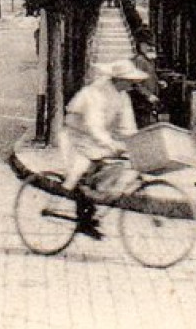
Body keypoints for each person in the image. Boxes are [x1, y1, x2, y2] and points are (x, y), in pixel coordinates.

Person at [60, 58, 147, 239]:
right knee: (87, 170)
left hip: (96, 137)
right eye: (128, 81)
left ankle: (88, 213)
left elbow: (127, 126)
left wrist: (134, 144)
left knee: (110, 168)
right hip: (77, 134)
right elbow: (93, 126)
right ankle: (84, 217)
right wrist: (111, 144)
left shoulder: (123, 97)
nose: (131, 84)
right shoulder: (96, 94)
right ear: (118, 79)